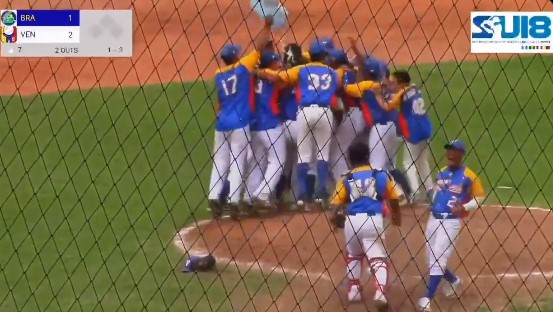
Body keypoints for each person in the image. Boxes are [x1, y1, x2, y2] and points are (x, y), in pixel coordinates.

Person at [258, 39, 342, 209]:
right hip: (325, 112)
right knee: (322, 155)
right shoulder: (333, 72)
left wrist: (259, 72)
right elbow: (338, 87)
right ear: (325, 56)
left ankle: (303, 196)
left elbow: (278, 77)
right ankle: (321, 194)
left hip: (304, 113)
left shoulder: (302, 70)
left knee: (303, 156)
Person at [207, 16, 273, 220]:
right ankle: (234, 200)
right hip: (239, 124)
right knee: (238, 161)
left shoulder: (219, 73)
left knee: (220, 161)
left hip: (221, 123)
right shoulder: (243, 67)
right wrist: (267, 26)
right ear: (236, 56)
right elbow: (260, 47)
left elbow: (219, 103)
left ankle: (213, 196)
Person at [329, 142, 401, 310]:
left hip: (351, 221)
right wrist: (396, 216)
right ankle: (381, 294)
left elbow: (335, 206)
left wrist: (334, 220)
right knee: (377, 258)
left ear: (349, 158)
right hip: (373, 221)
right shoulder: (381, 174)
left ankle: (353, 291)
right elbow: (394, 198)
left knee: (354, 255)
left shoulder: (346, 176)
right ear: (368, 157)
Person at [418, 140, 485, 311]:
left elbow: (480, 197)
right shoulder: (441, 173)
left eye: (454, 151)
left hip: (451, 223)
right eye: (449, 150)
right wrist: (432, 203)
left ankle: (427, 298)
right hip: (434, 220)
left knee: (438, 258)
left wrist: (464, 207)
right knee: (430, 257)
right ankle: (454, 280)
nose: (450, 154)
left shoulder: (469, 176)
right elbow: (437, 192)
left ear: (461, 154)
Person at [378, 70, 434, 202]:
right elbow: (397, 92)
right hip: (426, 129)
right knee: (422, 161)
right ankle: (430, 190)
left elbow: (387, 107)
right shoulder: (415, 89)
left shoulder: (402, 94)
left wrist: (378, 96)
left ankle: (414, 192)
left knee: (408, 162)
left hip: (414, 131)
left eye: (395, 82)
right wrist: (388, 86)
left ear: (402, 82)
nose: (393, 84)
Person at [243, 51, 286, 212]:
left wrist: (257, 71)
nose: (280, 64)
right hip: (270, 124)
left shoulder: (252, 79)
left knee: (256, 163)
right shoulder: (274, 78)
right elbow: (283, 79)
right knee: (277, 161)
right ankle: (262, 194)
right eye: (277, 62)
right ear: (270, 64)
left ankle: (248, 197)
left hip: (254, 126)